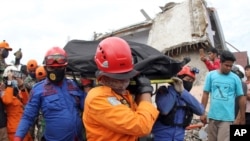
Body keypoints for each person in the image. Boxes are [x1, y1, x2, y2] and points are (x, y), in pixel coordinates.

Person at [83, 37, 159, 141]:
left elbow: (141, 116)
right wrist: (146, 92)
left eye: (126, 75)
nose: (122, 80)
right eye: (117, 77)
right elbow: (142, 126)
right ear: (103, 75)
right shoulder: (97, 98)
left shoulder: (124, 93)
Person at [14, 47, 86, 141]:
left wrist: (87, 88)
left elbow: (86, 106)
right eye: (52, 68)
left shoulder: (73, 85)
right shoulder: (39, 89)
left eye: (59, 68)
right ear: (45, 68)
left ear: (65, 67)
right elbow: (28, 117)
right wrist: (18, 137)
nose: (56, 71)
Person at [200, 50, 246, 141]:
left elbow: (241, 98)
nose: (229, 68)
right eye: (226, 65)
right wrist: (202, 113)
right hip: (212, 117)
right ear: (220, 62)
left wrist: (242, 117)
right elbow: (205, 94)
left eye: (231, 66)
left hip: (227, 118)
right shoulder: (211, 76)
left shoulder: (235, 78)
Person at [152, 66, 205, 141]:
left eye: (192, 81)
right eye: (187, 79)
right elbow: (164, 109)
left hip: (178, 137)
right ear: (178, 78)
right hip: (161, 136)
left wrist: (182, 92)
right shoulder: (164, 91)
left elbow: (200, 110)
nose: (189, 83)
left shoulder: (187, 97)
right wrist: (175, 89)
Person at [1, 65, 33, 141]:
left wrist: (21, 86)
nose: (14, 80)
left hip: (23, 128)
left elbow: (26, 101)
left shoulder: (16, 92)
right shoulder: (3, 91)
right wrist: (9, 82)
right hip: (14, 130)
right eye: (13, 78)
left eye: (15, 78)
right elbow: (8, 100)